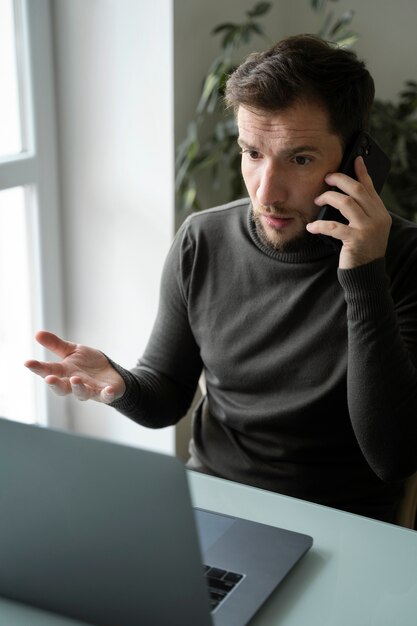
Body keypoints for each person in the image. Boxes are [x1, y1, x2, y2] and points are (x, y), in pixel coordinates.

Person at [25, 35, 417, 524]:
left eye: (300, 159)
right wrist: (119, 382)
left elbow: (394, 456)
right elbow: (165, 396)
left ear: (356, 161)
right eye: (252, 153)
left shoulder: (404, 258)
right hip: (212, 509)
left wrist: (363, 275)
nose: (267, 192)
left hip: (346, 526)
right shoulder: (201, 240)